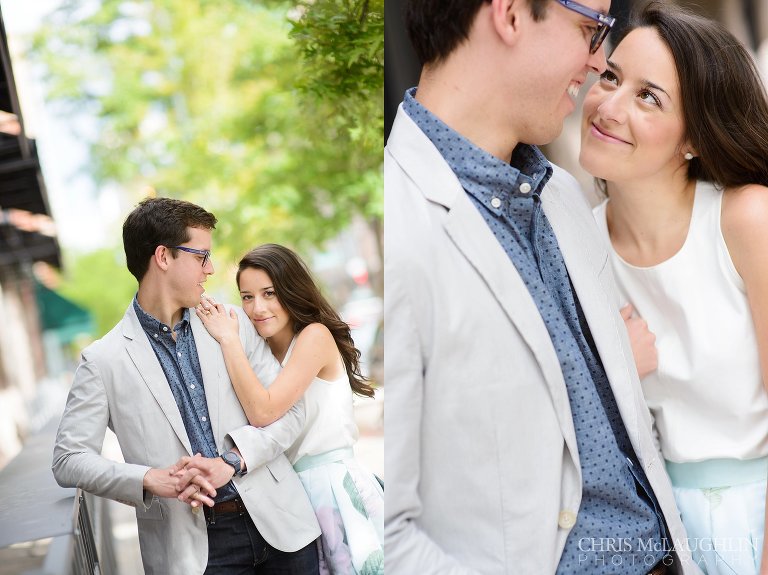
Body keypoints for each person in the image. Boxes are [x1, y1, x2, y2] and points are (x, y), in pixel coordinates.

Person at [384, 0, 702, 573]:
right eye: (590, 27)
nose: (597, 58)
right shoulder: (398, 220)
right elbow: (394, 536)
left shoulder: (560, 193)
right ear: (509, 14)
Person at [580, 2, 768, 573]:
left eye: (648, 96)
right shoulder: (579, 245)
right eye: (610, 76)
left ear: (693, 138)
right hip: (661, 534)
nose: (608, 106)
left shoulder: (745, 219)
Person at [52, 197, 321, 575]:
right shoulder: (102, 361)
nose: (210, 269)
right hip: (190, 554)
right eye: (201, 257)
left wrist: (234, 461)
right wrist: (149, 479)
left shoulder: (230, 323)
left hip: (281, 527)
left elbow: (292, 411)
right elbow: (68, 459)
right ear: (163, 257)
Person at [192, 243, 384, 575]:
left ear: (291, 290)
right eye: (247, 297)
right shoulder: (260, 350)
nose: (257, 308)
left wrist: (229, 339)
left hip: (332, 489)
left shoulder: (314, 336)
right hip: (288, 500)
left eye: (269, 293)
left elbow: (264, 413)